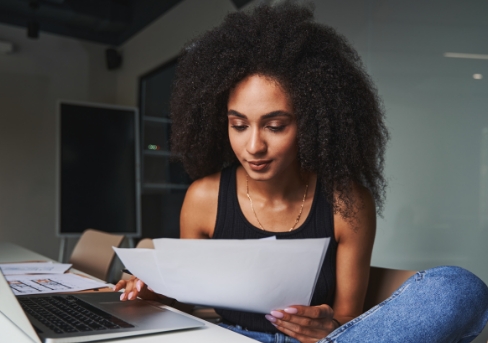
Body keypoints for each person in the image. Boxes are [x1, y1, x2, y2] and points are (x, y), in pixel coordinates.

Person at [114, 3, 488, 343]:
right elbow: (192, 300)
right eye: (239, 125)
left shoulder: (346, 201)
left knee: (460, 289)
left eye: (275, 126)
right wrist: (151, 293)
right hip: (230, 336)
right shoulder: (203, 198)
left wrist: (331, 327)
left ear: (311, 124)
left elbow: (349, 318)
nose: (253, 146)